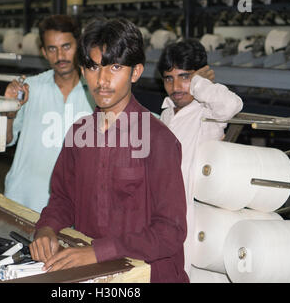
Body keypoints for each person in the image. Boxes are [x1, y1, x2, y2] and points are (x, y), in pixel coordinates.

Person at [29, 18, 189, 283]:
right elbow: (63, 198)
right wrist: (47, 228)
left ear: (135, 72)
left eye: (115, 67)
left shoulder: (159, 140)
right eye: (92, 67)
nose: (102, 80)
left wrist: (98, 252)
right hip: (96, 273)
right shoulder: (79, 134)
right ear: (83, 71)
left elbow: (170, 232)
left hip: (149, 275)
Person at [157, 39, 243, 275]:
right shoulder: (165, 114)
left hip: (196, 213)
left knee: (192, 271)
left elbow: (232, 104)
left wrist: (198, 84)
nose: (176, 86)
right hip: (164, 212)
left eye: (185, 77)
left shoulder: (207, 112)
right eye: (169, 78)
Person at [3, 14, 95, 213]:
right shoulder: (30, 88)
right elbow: (5, 140)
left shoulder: (97, 93)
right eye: (52, 49)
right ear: (43, 52)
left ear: (79, 45)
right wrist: (10, 110)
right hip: (24, 201)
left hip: (74, 206)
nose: (60, 56)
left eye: (66, 47)